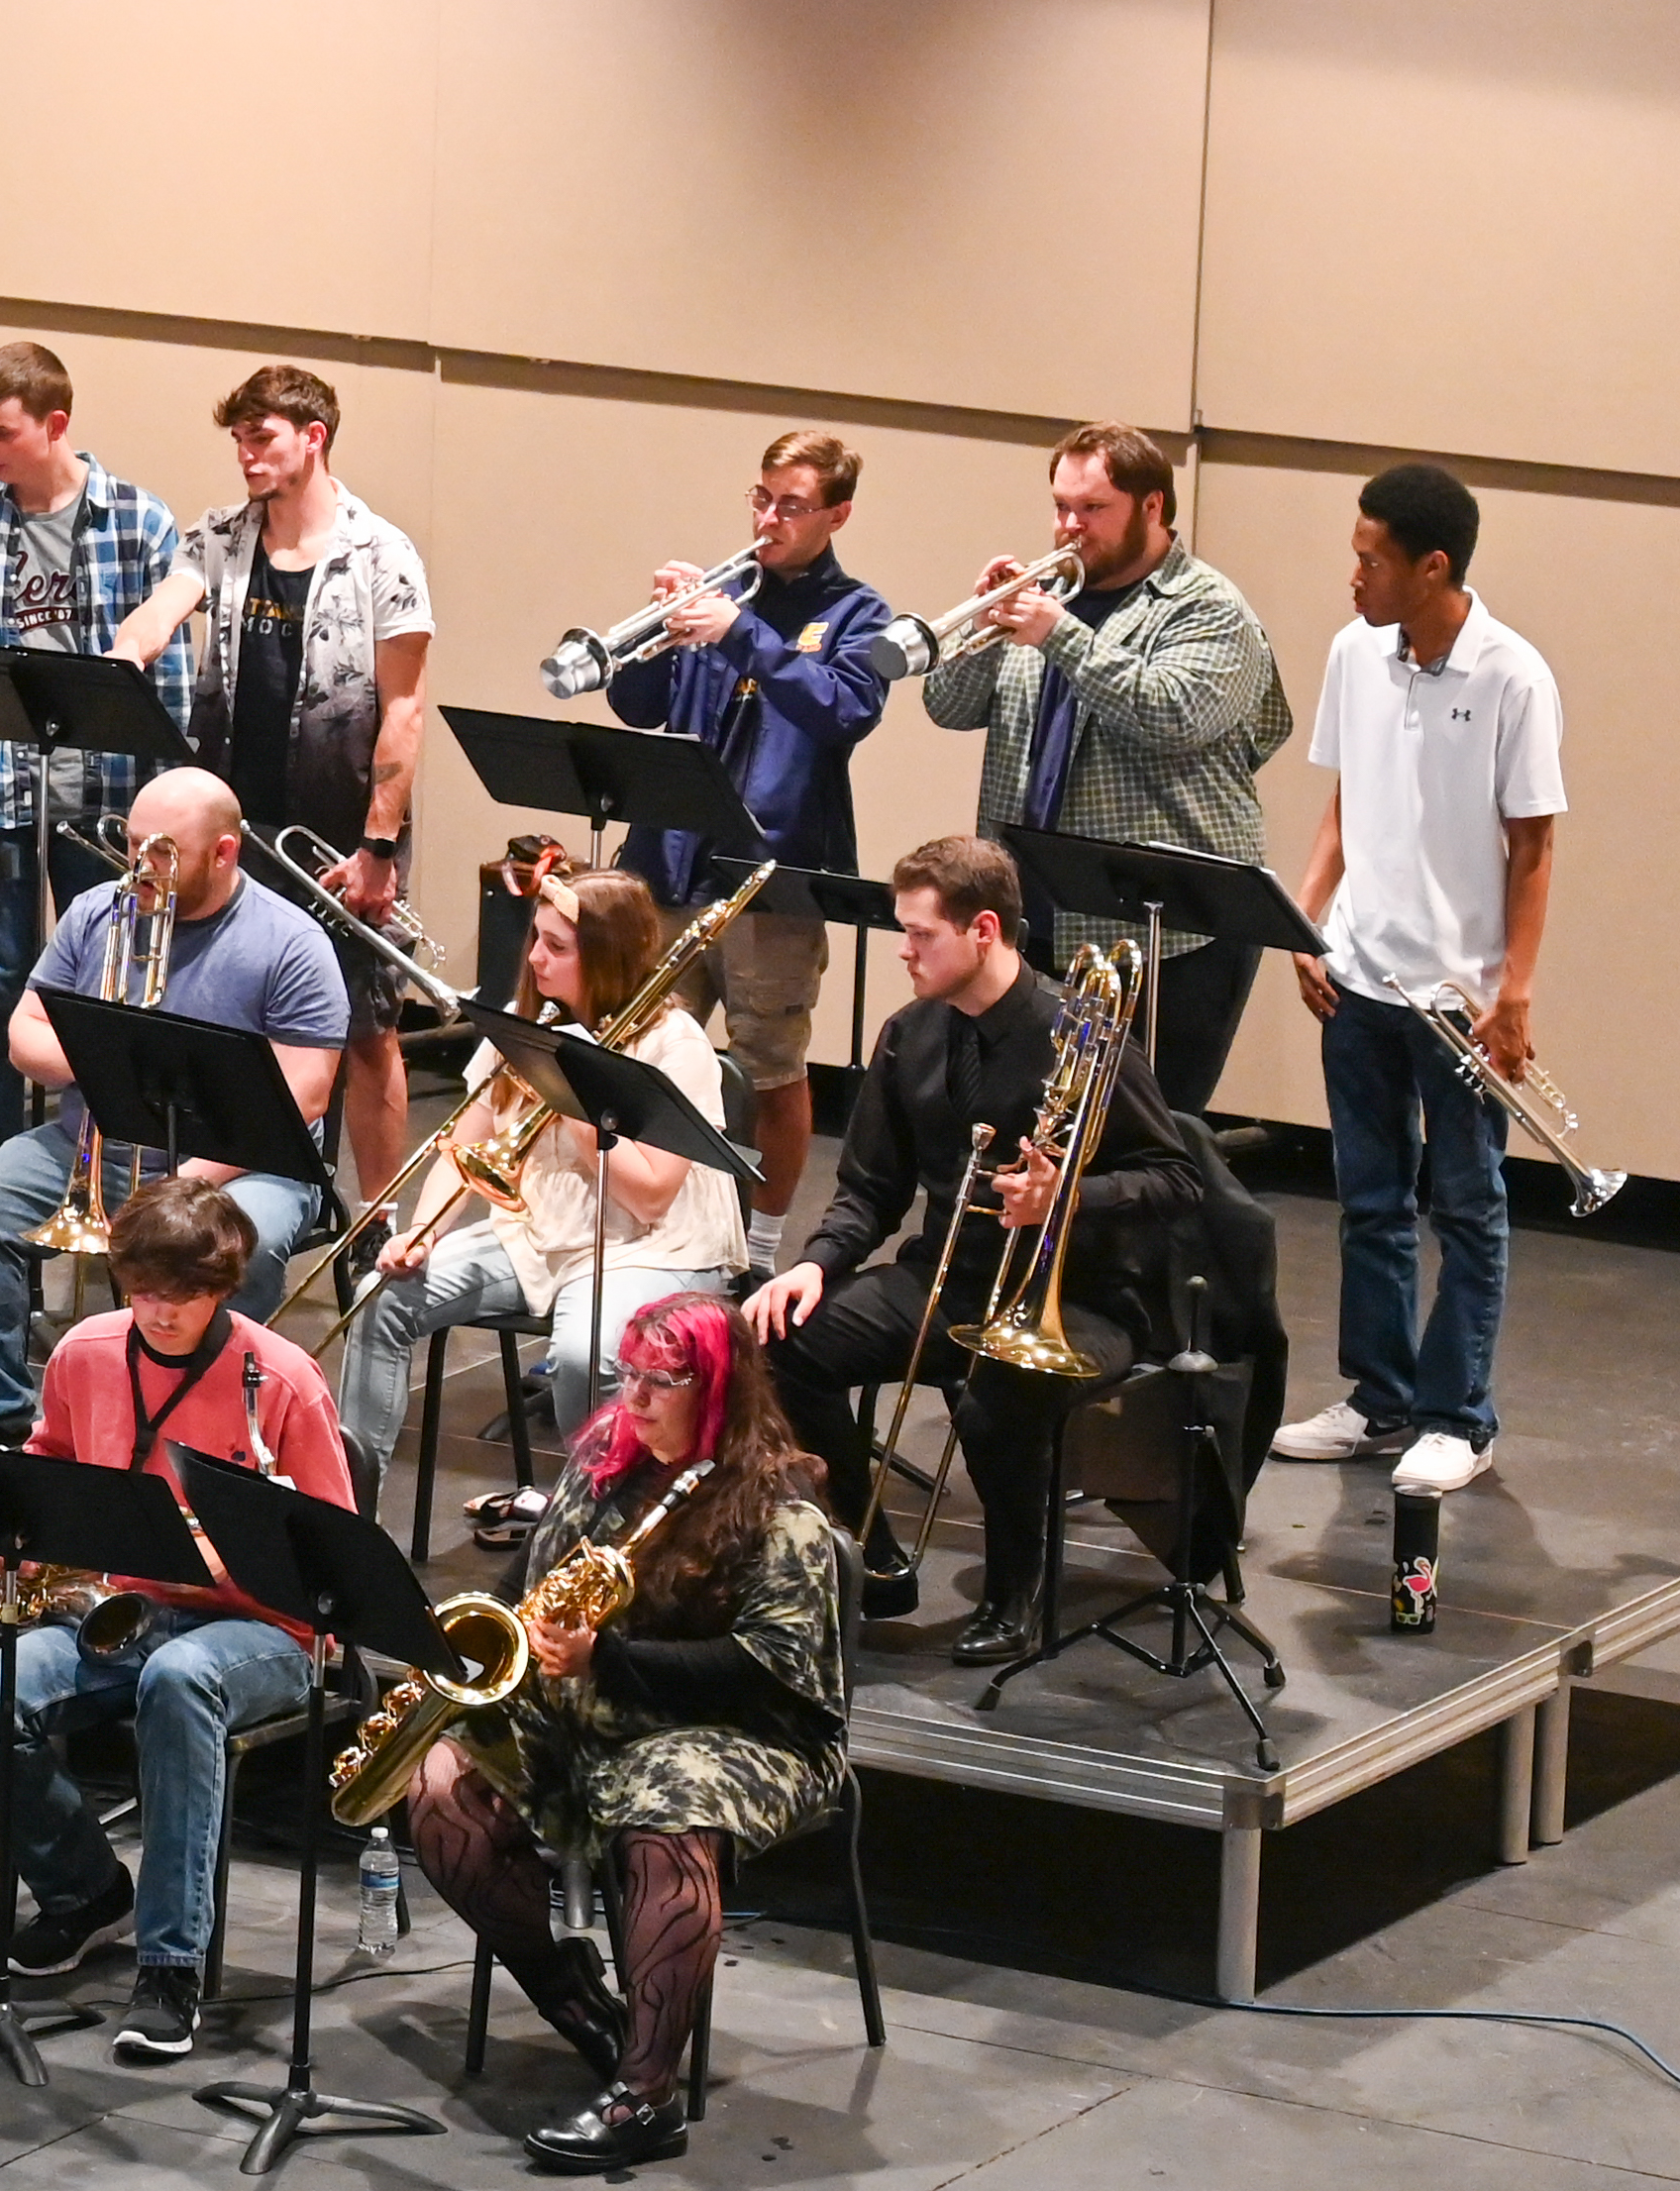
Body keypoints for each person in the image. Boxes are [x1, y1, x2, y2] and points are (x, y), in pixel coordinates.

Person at [397, 1289, 850, 2174]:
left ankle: (646, 2094)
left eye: (660, 1381)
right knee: (440, 1788)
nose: (633, 1400)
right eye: (627, 1375)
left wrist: (607, 1660)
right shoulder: (605, 1458)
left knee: (664, 1816)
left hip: (735, 1728)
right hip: (583, 1707)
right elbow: (539, 1580)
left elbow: (772, 1672)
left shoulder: (777, 1506)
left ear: (715, 1387)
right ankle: (570, 1996)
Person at [745, 836, 1199, 1659]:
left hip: (1083, 1298)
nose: (903, 950)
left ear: (982, 929)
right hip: (952, 1274)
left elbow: (1175, 1181)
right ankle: (870, 1554)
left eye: (920, 934)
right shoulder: (908, 1034)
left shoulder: (1083, 1035)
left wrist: (1067, 1195)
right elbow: (869, 1190)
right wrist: (813, 1264)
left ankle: (1014, 1592)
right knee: (782, 1346)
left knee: (999, 1388)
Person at [0, 1179, 349, 2065]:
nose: (161, 1313)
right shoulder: (84, 1353)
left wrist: (219, 1561)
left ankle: (171, 1962)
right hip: (132, 1603)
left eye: (185, 1296)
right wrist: (9, 1534)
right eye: (144, 1293)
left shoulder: (282, 1378)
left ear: (224, 1289)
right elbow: (48, 1464)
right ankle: (86, 1895)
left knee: (179, 1681)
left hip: (269, 1629)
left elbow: (334, 1557)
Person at [1280, 463, 1566, 1499]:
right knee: (1367, 1200)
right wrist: (1303, 920)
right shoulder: (1353, 653)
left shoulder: (1509, 674)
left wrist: (1514, 989)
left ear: (1429, 565)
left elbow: (1530, 845)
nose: (1350, 577)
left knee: (1464, 1203)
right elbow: (1344, 797)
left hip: (1454, 998)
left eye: (1368, 560)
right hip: (1356, 975)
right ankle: (1377, 1397)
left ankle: (1459, 1416)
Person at [0, 768, 347, 1444]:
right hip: (92, 1143)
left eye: (164, 852)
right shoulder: (96, 911)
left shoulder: (290, 942)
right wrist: (115, 1061)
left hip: (241, 1163)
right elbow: (22, 1036)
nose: (142, 867)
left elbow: (306, 1090)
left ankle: (205, 1429)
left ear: (223, 853)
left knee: (250, 1241)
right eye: (134, 846)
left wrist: (189, 1182)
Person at [332, 867, 749, 1512]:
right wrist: (422, 1231)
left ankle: (587, 1522)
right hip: (539, 1233)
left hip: (649, 1245)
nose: (533, 957)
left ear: (606, 956)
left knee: (585, 1354)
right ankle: (348, 1508)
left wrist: (575, 1101)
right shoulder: (528, 1028)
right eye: (536, 938)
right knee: (380, 1295)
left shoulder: (675, 1043)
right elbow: (463, 1145)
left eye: (557, 947)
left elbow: (651, 1196)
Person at [914, 422, 1294, 1114]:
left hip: (1169, 933)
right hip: (1038, 915)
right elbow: (947, 705)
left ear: (1151, 507)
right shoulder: (1046, 595)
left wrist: (1056, 633)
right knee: (1024, 1124)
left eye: (1092, 510)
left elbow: (1171, 715)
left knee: (1145, 1140)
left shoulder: (1207, 608)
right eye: (1060, 506)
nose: (1068, 527)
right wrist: (984, 624)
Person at [599, 435, 905, 1273]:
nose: (769, 518)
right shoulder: (720, 593)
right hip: (668, 867)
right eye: (761, 498)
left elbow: (842, 712)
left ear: (836, 513)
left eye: (791, 505)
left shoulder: (860, 616)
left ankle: (760, 1248)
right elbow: (636, 707)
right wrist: (652, 635)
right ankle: (644, 1236)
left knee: (769, 1065)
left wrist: (741, 636)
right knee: (639, 1058)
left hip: (772, 881)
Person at [0, 342, 199, 1155]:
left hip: (103, 804)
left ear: (54, 424)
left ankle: (114, 1160)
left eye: (1, 434)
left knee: (117, 986)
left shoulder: (138, 520)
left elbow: (169, 688)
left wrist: (158, 813)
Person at [175, 364, 436, 1200]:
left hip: (338, 835)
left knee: (366, 1032)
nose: (246, 457)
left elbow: (404, 710)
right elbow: (169, 601)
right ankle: (230, 1201)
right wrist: (126, 650)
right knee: (224, 1019)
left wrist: (377, 847)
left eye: (262, 439)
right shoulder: (219, 537)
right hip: (234, 828)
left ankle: (377, 1223)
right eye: (238, 441)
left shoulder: (381, 554)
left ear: (311, 437)